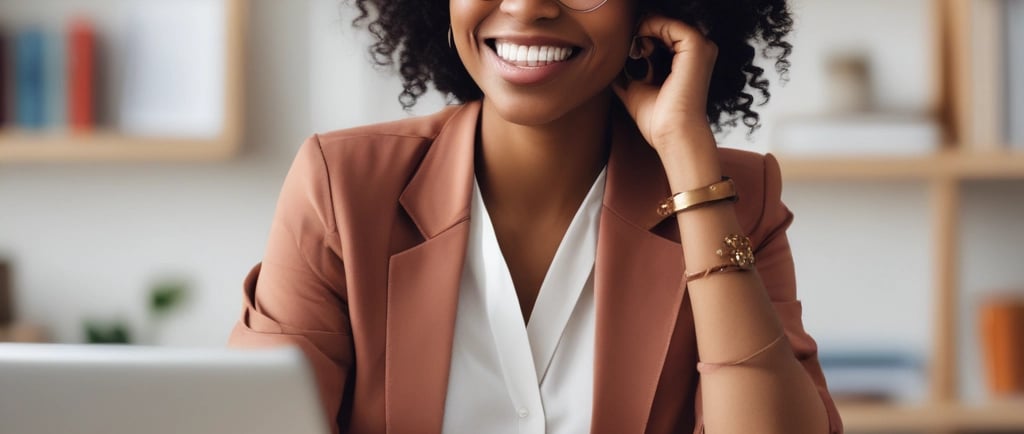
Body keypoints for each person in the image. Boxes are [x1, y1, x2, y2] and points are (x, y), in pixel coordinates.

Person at [229, 0, 843, 432]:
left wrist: (688, 159)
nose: (527, 6)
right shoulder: (343, 187)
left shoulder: (737, 195)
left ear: (649, 12)